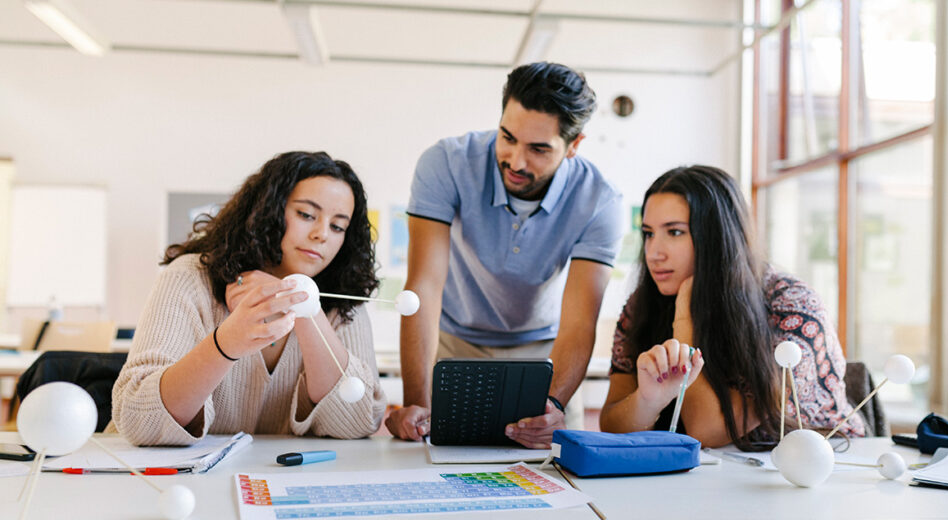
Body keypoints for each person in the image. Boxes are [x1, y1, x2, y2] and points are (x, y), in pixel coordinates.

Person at [385, 62, 624, 448]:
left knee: (554, 475)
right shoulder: (446, 162)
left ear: (574, 145)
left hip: (544, 354)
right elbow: (423, 289)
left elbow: (580, 323)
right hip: (455, 344)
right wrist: (417, 403)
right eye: (507, 137)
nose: (515, 161)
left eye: (538, 149)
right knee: (437, 464)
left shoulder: (600, 200)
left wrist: (553, 403)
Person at [112, 151, 387, 446]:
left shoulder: (344, 300)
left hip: (278, 482)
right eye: (306, 215)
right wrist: (227, 342)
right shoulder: (190, 277)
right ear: (268, 209)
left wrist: (304, 304)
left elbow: (360, 422)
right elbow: (139, 418)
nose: (322, 234)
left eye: (337, 226)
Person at [600, 166, 865, 450]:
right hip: (718, 477)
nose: (654, 253)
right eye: (649, 233)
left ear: (719, 237)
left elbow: (708, 432)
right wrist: (648, 401)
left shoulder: (792, 307)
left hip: (827, 468)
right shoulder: (643, 305)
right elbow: (613, 426)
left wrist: (685, 322)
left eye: (675, 232)